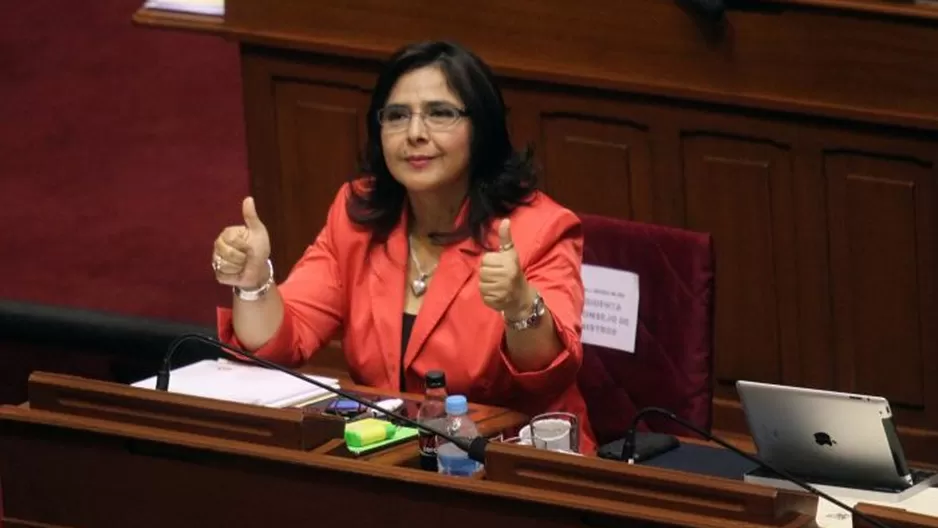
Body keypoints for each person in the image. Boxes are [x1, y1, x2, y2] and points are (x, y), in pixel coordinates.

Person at [210, 41, 595, 453]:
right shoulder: (357, 216)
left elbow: (547, 374)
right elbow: (281, 341)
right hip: (393, 458)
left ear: (480, 127)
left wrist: (520, 306)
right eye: (397, 116)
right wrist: (254, 285)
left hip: (513, 461)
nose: (414, 133)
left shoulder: (539, 228)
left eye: (440, 113)